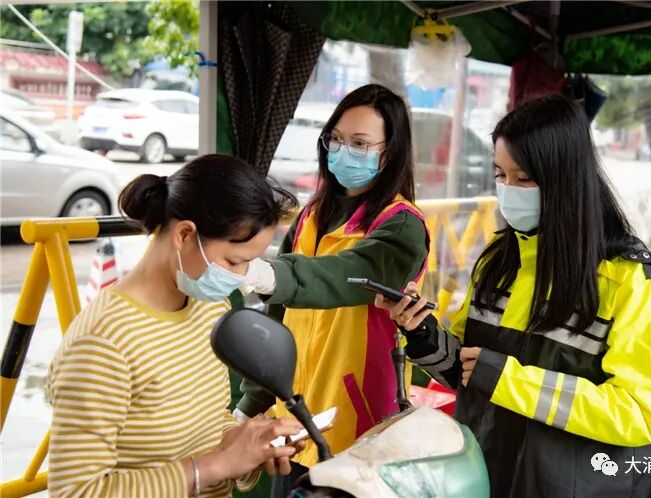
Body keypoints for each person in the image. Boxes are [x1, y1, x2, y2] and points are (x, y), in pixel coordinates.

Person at [377, 94, 651, 498]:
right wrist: (422, 332)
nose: (508, 190)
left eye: (524, 179)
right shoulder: (499, 261)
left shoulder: (631, 282)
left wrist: (507, 378)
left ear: (566, 180)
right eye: (500, 175)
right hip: (482, 480)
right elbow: (469, 373)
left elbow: (637, 414)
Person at [47, 155, 304, 498]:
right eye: (233, 261)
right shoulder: (102, 344)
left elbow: (206, 426)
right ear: (184, 234)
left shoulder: (208, 307)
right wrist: (218, 465)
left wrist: (250, 447)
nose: (241, 277)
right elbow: (75, 491)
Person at [236, 84, 430, 496]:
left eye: (360, 143)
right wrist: (251, 404)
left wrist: (269, 276)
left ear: (390, 153)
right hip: (294, 419)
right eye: (336, 139)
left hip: (357, 429)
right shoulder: (311, 215)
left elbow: (347, 274)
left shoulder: (402, 225)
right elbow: (277, 321)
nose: (343, 151)